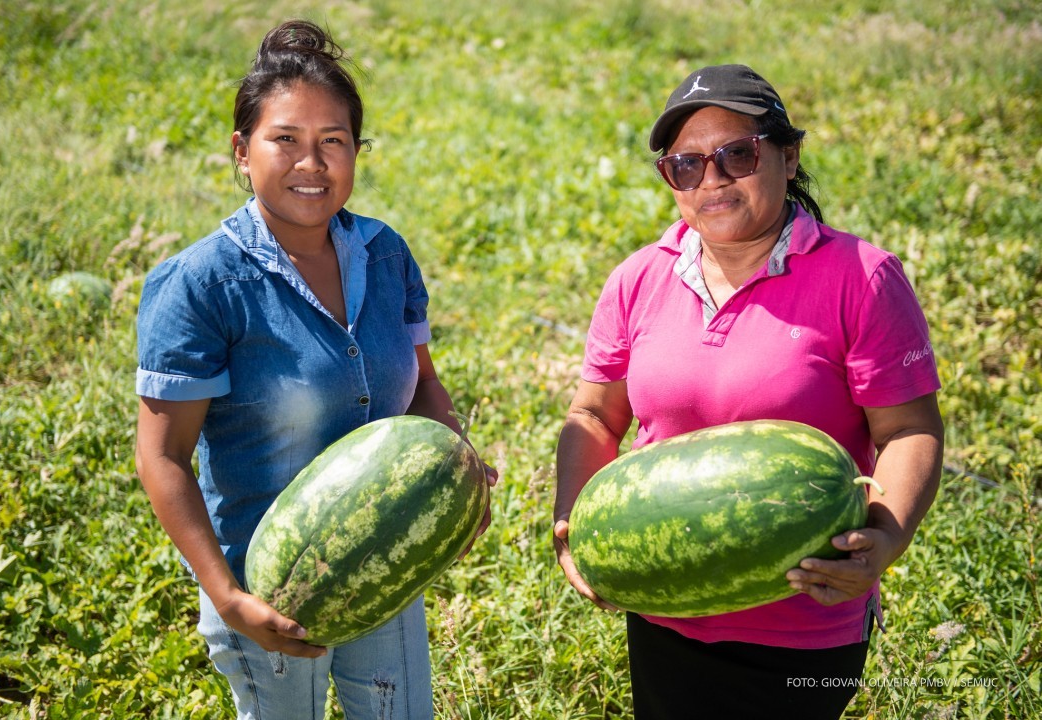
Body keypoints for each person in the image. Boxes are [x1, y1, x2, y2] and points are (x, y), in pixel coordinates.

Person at [553, 64, 943, 719]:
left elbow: (907, 430)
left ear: (787, 158)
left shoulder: (861, 278)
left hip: (803, 631)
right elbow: (594, 414)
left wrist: (886, 536)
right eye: (685, 166)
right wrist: (570, 531)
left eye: (737, 155)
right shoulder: (637, 279)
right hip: (664, 611)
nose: (711, 180)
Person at [134, 20, 493, 720]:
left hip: (386, 559)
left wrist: (458, 464)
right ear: (242, 152)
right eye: (286, 140)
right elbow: (163, 455)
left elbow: (420, 382)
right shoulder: (200, 284)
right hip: (268, 583)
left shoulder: (384, 254)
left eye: (333, 142)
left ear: (357, 152)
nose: (312, 163)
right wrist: (228, 597)